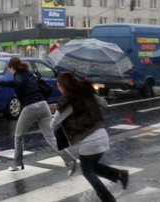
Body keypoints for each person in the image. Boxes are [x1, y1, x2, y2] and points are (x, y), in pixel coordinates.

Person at [0, 57, 77, 173]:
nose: (10, 71)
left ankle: (17, 164)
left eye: (9, 69)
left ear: (11, 67)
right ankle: (69, 159)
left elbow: (16, 83)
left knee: (18, 136)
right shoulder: (28, 72)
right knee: (50, 138)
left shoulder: (18, 74)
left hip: (30, 107)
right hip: (43, 105)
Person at [51, 72, 128, 202]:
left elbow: (53, 125)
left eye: (58, 85)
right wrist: (94, 94)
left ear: (64, 86)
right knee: (93, 166)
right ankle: (119, 174)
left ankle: (108, 198)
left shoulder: (67, 101)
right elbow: (105, 103)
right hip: (102, 135)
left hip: (90, 141)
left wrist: (59, 118)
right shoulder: (87, 93)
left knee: (87, 172)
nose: (58, 88)